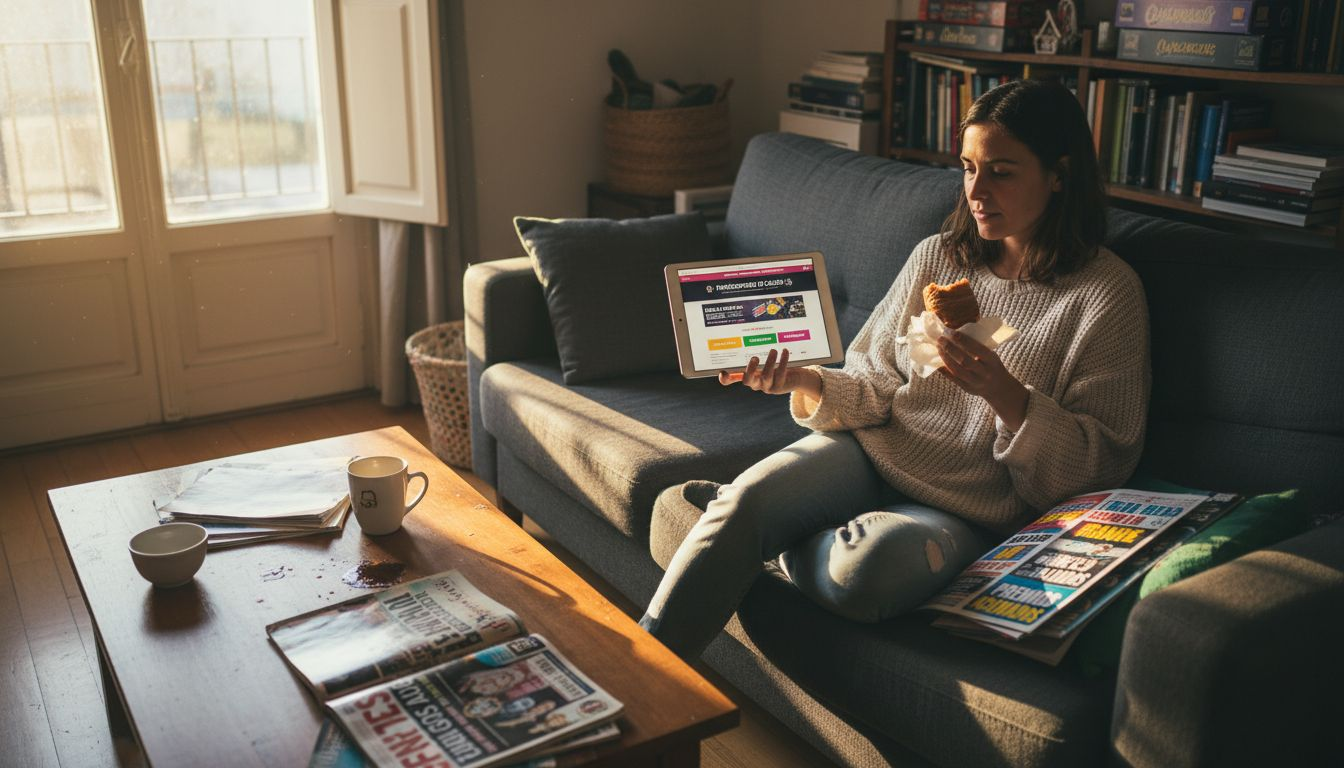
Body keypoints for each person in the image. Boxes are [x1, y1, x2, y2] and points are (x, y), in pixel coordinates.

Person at [639, 79, 1150, 661]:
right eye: (967, 168)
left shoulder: (1106, 296)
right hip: (869, 454)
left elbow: (1099, 466)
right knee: (746, 506)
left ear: (1059, 174)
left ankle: (755, 535)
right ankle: (646, 675)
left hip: (969, 513)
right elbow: (877, 380)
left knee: (867, 574)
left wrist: (1009, 397)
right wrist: (804, 379)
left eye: (1001, 171)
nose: (976, 192)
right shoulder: (940, 256)